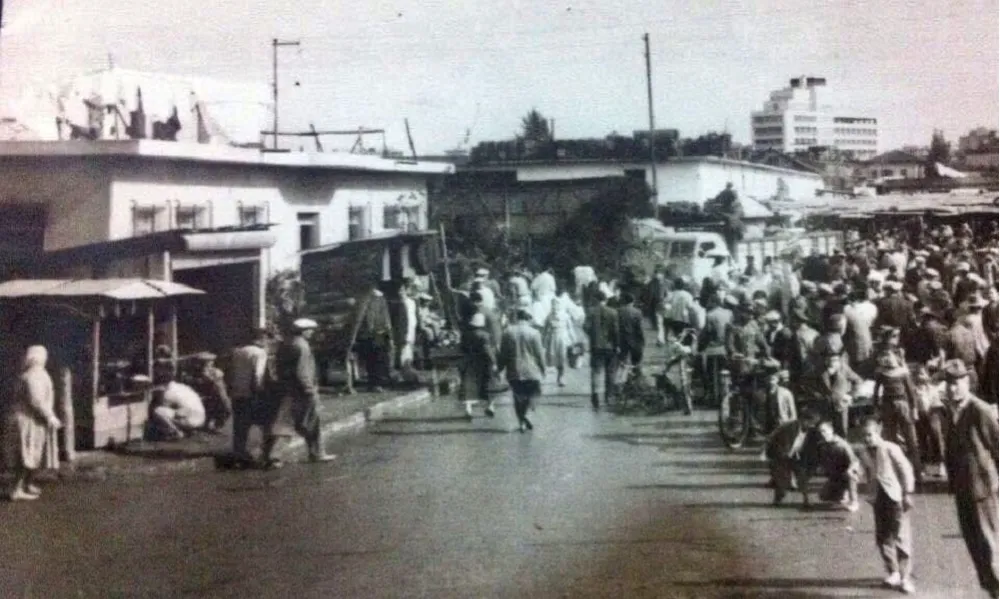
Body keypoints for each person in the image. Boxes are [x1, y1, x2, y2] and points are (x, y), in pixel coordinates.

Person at [940, 359, 999, 598]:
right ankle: (992, 590)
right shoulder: (950, 409)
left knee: (990, 544)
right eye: (948, 383)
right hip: (962, 489)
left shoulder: (980, 410)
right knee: (974, 544)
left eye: (957, 382)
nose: (952, 388)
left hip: (982, 490)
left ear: (967, 382)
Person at [260, 318, 336, 468]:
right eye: (311, 331)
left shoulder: (286, 344)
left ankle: (272, 456)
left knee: (284, 423)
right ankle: (316, 453)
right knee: (311, 423)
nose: (312, 333)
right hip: (301, 391)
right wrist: (309, 389)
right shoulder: (302, 346)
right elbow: (302, 371)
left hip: (286, 389)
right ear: (305, 331)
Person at [859, 417, 917, 595]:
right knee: (883, 536)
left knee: (901, 536)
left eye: (870, 435)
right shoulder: (863, 451)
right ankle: (893, 572)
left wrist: (907, 493)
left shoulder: (891, 448)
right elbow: (865, 471)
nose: (867, 439)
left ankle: (906, 577)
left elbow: (906, 469)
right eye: (864, 436)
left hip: (895, 497)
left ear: (878, 433)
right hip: (878, 499)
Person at [2, 346, 61, 501]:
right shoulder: (33, 375)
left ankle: (26, 484)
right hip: (25, 421)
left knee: (33, 454)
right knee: (24, 456)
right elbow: (36, 400)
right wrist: (49, 416)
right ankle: (15, 490)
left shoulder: (38, 373)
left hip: (32, 420)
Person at [871, 349, 922, 486]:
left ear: (897, 358)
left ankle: (917, 473)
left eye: (891, 357)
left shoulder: (903, 372)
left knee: (911, 439)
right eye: (886, 358)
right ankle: (895, 471)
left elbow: (911, 393)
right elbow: (876, 392)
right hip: (888, 406)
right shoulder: (881, 374)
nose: (889, 360)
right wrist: (876, 408)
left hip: (903, 405)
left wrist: (914, 409)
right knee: (891, 440)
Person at [227, 328, 273, 464]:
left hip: (237, 393)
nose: (268, 342)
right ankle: (265, 453)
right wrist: (260, 392)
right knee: (266, 423)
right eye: (266, 339)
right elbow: (258, 375)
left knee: (240, 425)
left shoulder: (237, 352)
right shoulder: (260, 353)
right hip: (252, 394)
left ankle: (239, 451)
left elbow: (231, 372)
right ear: (261, 339)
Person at [497, 308, 547, 433]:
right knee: (534, 393)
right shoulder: (534, 333)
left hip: (514, 370)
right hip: (531, 370)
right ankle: (528, 414)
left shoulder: (507, 332)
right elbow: (539, 354)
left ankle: (521, 423)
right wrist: (543, 368)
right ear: (528, 319)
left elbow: (503, 353)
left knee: (518, 397)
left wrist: (500, 367)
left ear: (516, 318)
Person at [803, 340, 862, 439]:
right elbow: (805, 382)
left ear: (839, 360)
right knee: (825, 431)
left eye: (835, 360)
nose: (832, 363)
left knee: (842, 431)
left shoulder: (844, 369)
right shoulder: (818, 370)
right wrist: (815, 394)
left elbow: (858, 381)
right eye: (829, 360)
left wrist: (850, 395)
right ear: (825, 360)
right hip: (824, 406)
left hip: (841, 405)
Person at [765, 409, 821, 507]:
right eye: (811, 423)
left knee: (802, 476)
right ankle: (778, 499)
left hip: (795, 454)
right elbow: (778, 445)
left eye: (814, 424)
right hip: (780, 456)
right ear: (803, 420)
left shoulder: (811, 431)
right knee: (783, 481)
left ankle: (806, 501)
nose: (812, 426)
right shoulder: (790, 428)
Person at [350, 284, 395, 393]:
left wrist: (389, 334)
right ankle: (375, 383)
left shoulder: (377, 299)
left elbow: (385, 318)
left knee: (376, 359)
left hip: (377, 334)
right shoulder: (369, 299)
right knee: (372, 360)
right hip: (371, 334)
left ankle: (377, 382)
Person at [584, 289, 620, 410]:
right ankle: (608, 396)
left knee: (596, 372)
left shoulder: (591, 312)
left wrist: (593, 335)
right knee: (610, 372)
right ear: (604, 299)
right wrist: (617, 344)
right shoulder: (613, 312)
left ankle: (595, 396)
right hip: (610, 347)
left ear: (596, 299)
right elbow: (615, 331)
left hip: (596, 346)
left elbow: (586, 327)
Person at [815, 420, 861, 512]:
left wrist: (850, 470)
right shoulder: (821, 445)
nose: (822, 434)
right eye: (820, 432)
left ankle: (854, 501)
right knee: (823, 496)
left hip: (849, 472)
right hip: (836, 475)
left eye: (824, 431)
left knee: (850, 474)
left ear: (831, 430)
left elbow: (855, 461)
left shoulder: (841, 444)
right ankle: (843, 493)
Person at [912, 366, 947, 480]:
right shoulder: (914, 390)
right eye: (918, 374)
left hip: (932, 414)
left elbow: (938, 403)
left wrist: (934, 410)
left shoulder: (932, 388)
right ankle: (923, 465)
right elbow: (913, 404)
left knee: (936, 437)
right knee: (921, 439)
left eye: (923, 374)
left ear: (927, 376)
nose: (920, 377)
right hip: (920, 416)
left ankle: (941, 464)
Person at [460, 312, 497, 419]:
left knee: (469, 385)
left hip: (469, 361)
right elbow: (487, 350)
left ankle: (468, 409)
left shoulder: (465, 335)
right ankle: (490, 406)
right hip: (483, 362)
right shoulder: (485, 335)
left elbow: (462, 348)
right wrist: (494, 362)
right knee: (489, 384)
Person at [150, 375, 206, 440]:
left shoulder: (168, 393)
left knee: (158, 411)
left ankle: (176, 432)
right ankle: (189, 430)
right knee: (179, 410)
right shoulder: (182, 387)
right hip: (201, 419)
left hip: (190, 420)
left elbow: (163, 407)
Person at [190, 351, 231, 432]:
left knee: (225, 409)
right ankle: (208, 425)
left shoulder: (214, 370)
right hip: (210, 394)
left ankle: (217, 425)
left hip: (219, 393)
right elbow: (207, 379)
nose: (210, 363)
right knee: (212, 409)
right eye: (207, 362)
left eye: (210, 361)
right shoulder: (201, 372)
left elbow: (218, 378)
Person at [544, 293, 577, 387]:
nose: (555, 307)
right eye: (553, 305)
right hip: (553, 338)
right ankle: (559, 374)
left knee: (562, 357)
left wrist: (573, 339)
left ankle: (562, 376)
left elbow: (570, 328)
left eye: (556, 305)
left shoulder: (565, 316)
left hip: (563, 338)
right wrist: (544, 340)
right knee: (555, 358)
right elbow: (545, 329)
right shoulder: (549, 316)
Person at [616, 292, 646, 370]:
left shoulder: (618, 311)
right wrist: (642, 340)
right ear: (633, 301)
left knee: (621, 361)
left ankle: (621, 377)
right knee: (635, 362)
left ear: (623, 301)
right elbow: (640, 328)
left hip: (621, 339)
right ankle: (633, 378)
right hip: (634, 339)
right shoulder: (637, 312)